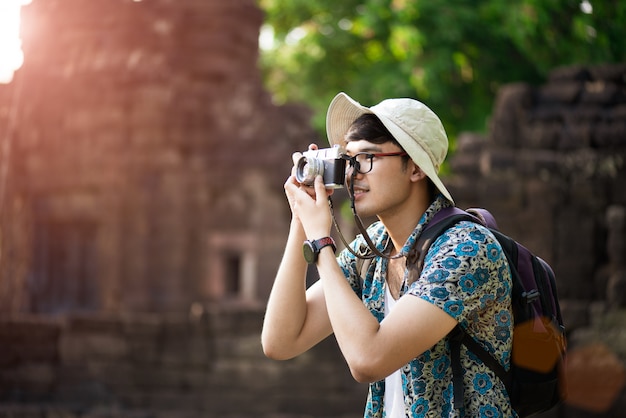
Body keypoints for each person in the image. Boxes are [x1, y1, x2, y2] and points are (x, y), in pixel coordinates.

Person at [261, 92, 515, 417]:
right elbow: (281, 341)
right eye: (348, 160)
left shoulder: (465, 248)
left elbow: (368, 360)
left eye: (367, 158)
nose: (352, 173)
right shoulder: (374, 248)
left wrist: (321, 241)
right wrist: (302, 216)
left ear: (415, 168)